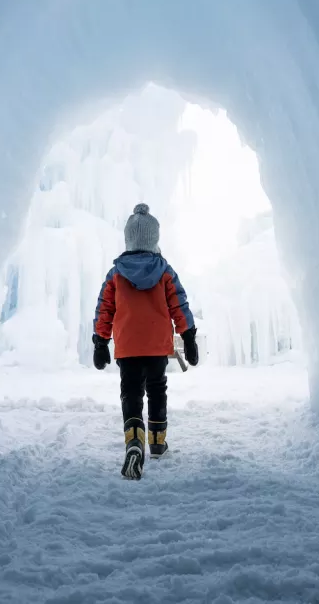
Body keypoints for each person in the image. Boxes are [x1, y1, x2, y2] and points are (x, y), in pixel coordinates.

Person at [91, 202, 198, 479]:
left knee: (131, 393)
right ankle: (158, 443)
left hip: (127, 347)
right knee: (157, 390)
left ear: (129, 239)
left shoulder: (116, 274)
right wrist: (188, 336)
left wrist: (100, 342)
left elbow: (104, 308)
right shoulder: (164, 272)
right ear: (154, 240)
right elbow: (179, 304)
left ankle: (134, 440)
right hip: (156, 347)